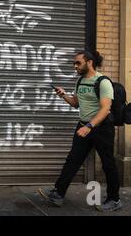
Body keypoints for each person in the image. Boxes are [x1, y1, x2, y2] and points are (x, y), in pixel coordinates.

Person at [38, 50, 122, 212]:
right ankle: (58, 194)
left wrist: (89, 126)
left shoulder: (103, 82)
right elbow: (76, 103)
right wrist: (63, 95)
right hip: (84, 126)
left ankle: (114, 199)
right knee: (73, 160)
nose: (74, 66)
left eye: (78, 63)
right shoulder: (80, 81)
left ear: (89, 62)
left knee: (108, 164)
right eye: (74, 63)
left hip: (101, 129)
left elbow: (105, 109)